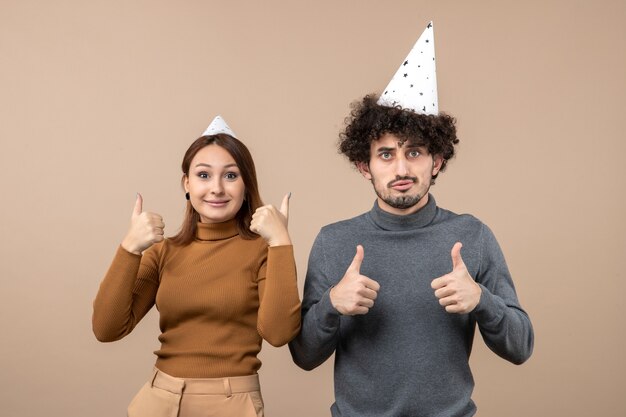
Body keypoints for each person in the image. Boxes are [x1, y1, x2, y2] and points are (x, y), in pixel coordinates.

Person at [289, 23, 533, 417]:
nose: (401, 167)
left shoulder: (472, 235)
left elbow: (521, 348)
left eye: (415, 152)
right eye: (385, 154)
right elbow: (303, 355)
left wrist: (482, 301)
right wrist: (331, 304)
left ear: (436, 161)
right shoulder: (334, 241)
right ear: (364, 166)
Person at [93, 116, 301, 417]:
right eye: (204, 175)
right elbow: (106, 329)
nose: (216, 188)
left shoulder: (264, 250)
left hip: (232, 403)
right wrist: (129, 248)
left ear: (246, 186)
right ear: (186, 184)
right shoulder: (164, 252)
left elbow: (279, 333)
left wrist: (281, 242)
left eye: (230, 176)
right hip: (159, 399)